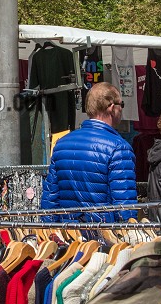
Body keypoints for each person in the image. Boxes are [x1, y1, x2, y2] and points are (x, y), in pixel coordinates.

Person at [40, 81, 136, 222]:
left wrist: (51, 235)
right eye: (121, 105)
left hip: (69, 236)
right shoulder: (119, 148)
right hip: (104, 236)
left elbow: (50, 200)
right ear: (111, 107)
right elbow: (125, 207)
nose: (121, 110)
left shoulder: (61, 144)